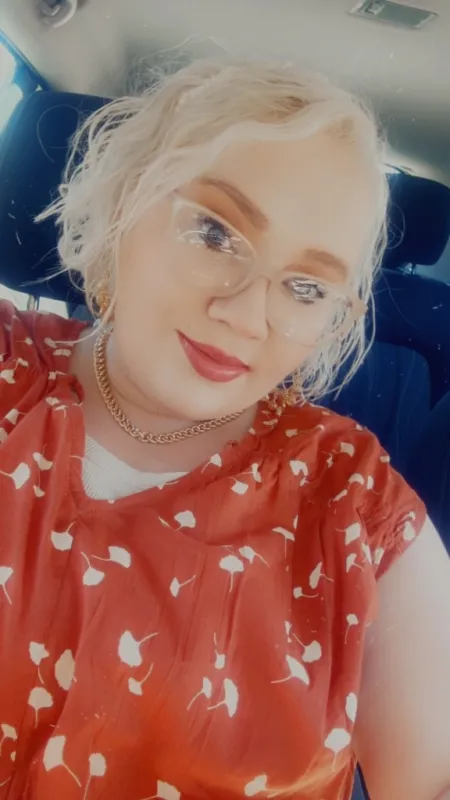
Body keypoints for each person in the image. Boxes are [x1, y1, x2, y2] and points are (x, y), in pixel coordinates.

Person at [0, 59, 449, 800]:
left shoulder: (356, 508)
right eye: (215, 232)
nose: (245, 315)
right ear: (126, 196)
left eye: (306, 286)